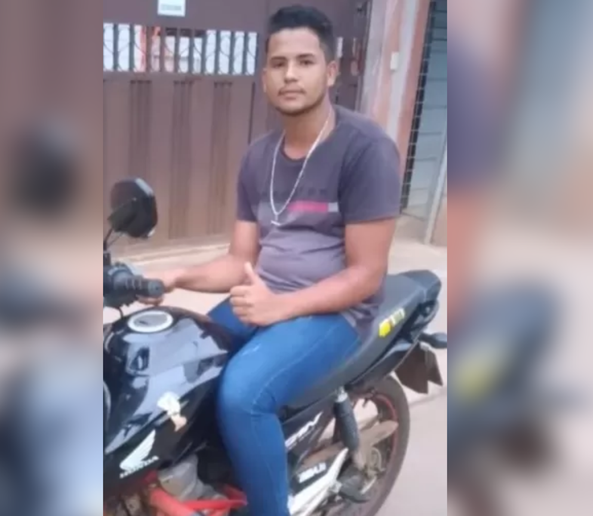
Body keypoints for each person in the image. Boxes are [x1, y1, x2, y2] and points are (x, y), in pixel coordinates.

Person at [141, 5, 402, 515]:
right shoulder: (258, 157)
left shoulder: (365, 149)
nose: (290, 74)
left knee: (242, 394)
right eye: (279, 63)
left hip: (337, 312)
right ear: (263, 77)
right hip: (264, 297)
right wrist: (173, 277)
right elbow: (240, 259)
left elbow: (366, 275)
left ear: (330, 71)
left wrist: (280, 307)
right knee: (178, 366)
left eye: (305, 62)